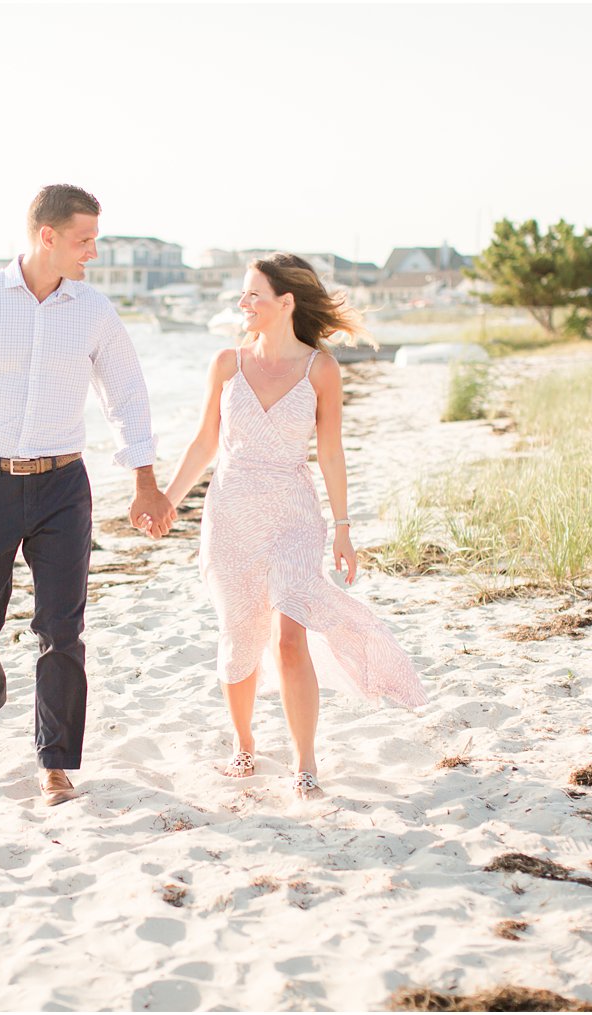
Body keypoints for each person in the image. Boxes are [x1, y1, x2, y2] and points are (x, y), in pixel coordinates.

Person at [0, 184, 177, 806]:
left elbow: (127, 395)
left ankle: (55, 762)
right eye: (84, 240)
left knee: (62, 630)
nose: (93, 253)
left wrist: (144, 480)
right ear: (47, 237)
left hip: (63, 485)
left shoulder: (93, 311)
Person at [155, 253, 426, 800]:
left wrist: (344, 527)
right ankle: (244, 744)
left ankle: (305, 760)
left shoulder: (320, 369)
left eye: (254, 294)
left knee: (290, 633)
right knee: (239, 635)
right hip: (231, 514)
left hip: (294, 516)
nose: (243, 303)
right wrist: (166, 500)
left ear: (286, 302)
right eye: (243, 293)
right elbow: (205, 442)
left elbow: (330, 454)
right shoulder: (227, 364)